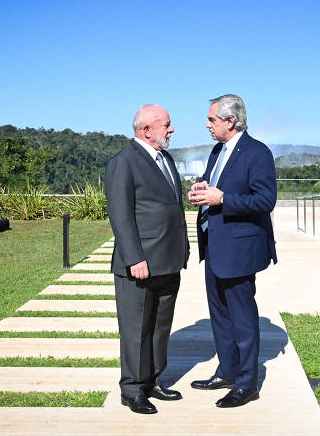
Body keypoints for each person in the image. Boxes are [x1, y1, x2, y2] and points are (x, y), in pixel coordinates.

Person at [188, 94, 277, 408]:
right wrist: (201, 191)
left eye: (212, 119)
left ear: (230, 120)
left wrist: (222, 198)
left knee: (241, 317)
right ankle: (227, 371)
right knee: (220, 315)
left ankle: (247, 383)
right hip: (214, 246)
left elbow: (265, 200)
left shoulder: (257, 153)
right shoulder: (217, 151)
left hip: (240, 251)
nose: (207, 124)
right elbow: (214, 187)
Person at [104, 104, 190, 415]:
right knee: (136, 328)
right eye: (167, 124)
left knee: (159, 326)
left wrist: (183, 247)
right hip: (140, 264)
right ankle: (132, 389)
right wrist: (134, 258)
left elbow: (172, 207)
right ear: (147, 130)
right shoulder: (123, 162)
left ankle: (153, 380)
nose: (172, 129)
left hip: (169, 260)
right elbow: (121, 216)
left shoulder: (165, 158)